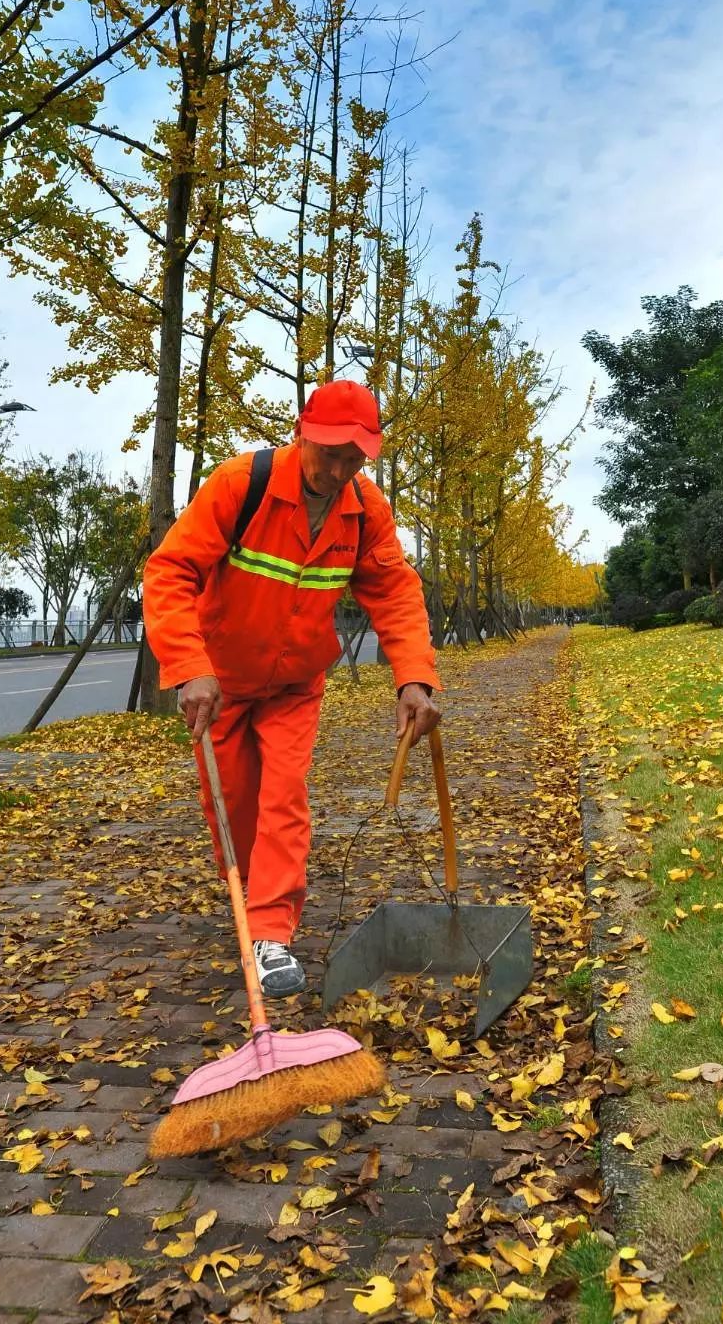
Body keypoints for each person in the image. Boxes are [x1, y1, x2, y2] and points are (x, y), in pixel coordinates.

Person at [142, 380, 442, 996]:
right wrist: (188, 665)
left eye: (353, 459)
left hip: (296, 682)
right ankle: (253, 894)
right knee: (237, 801)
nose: (338, 471)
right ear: (301, 431)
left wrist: (413, 677)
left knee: (284, 796)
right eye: (328, 453)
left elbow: (394, 591)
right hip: (219, 683)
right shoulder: (239, 484)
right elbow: (170, 571)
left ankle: (271, 935)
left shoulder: (366, 509)